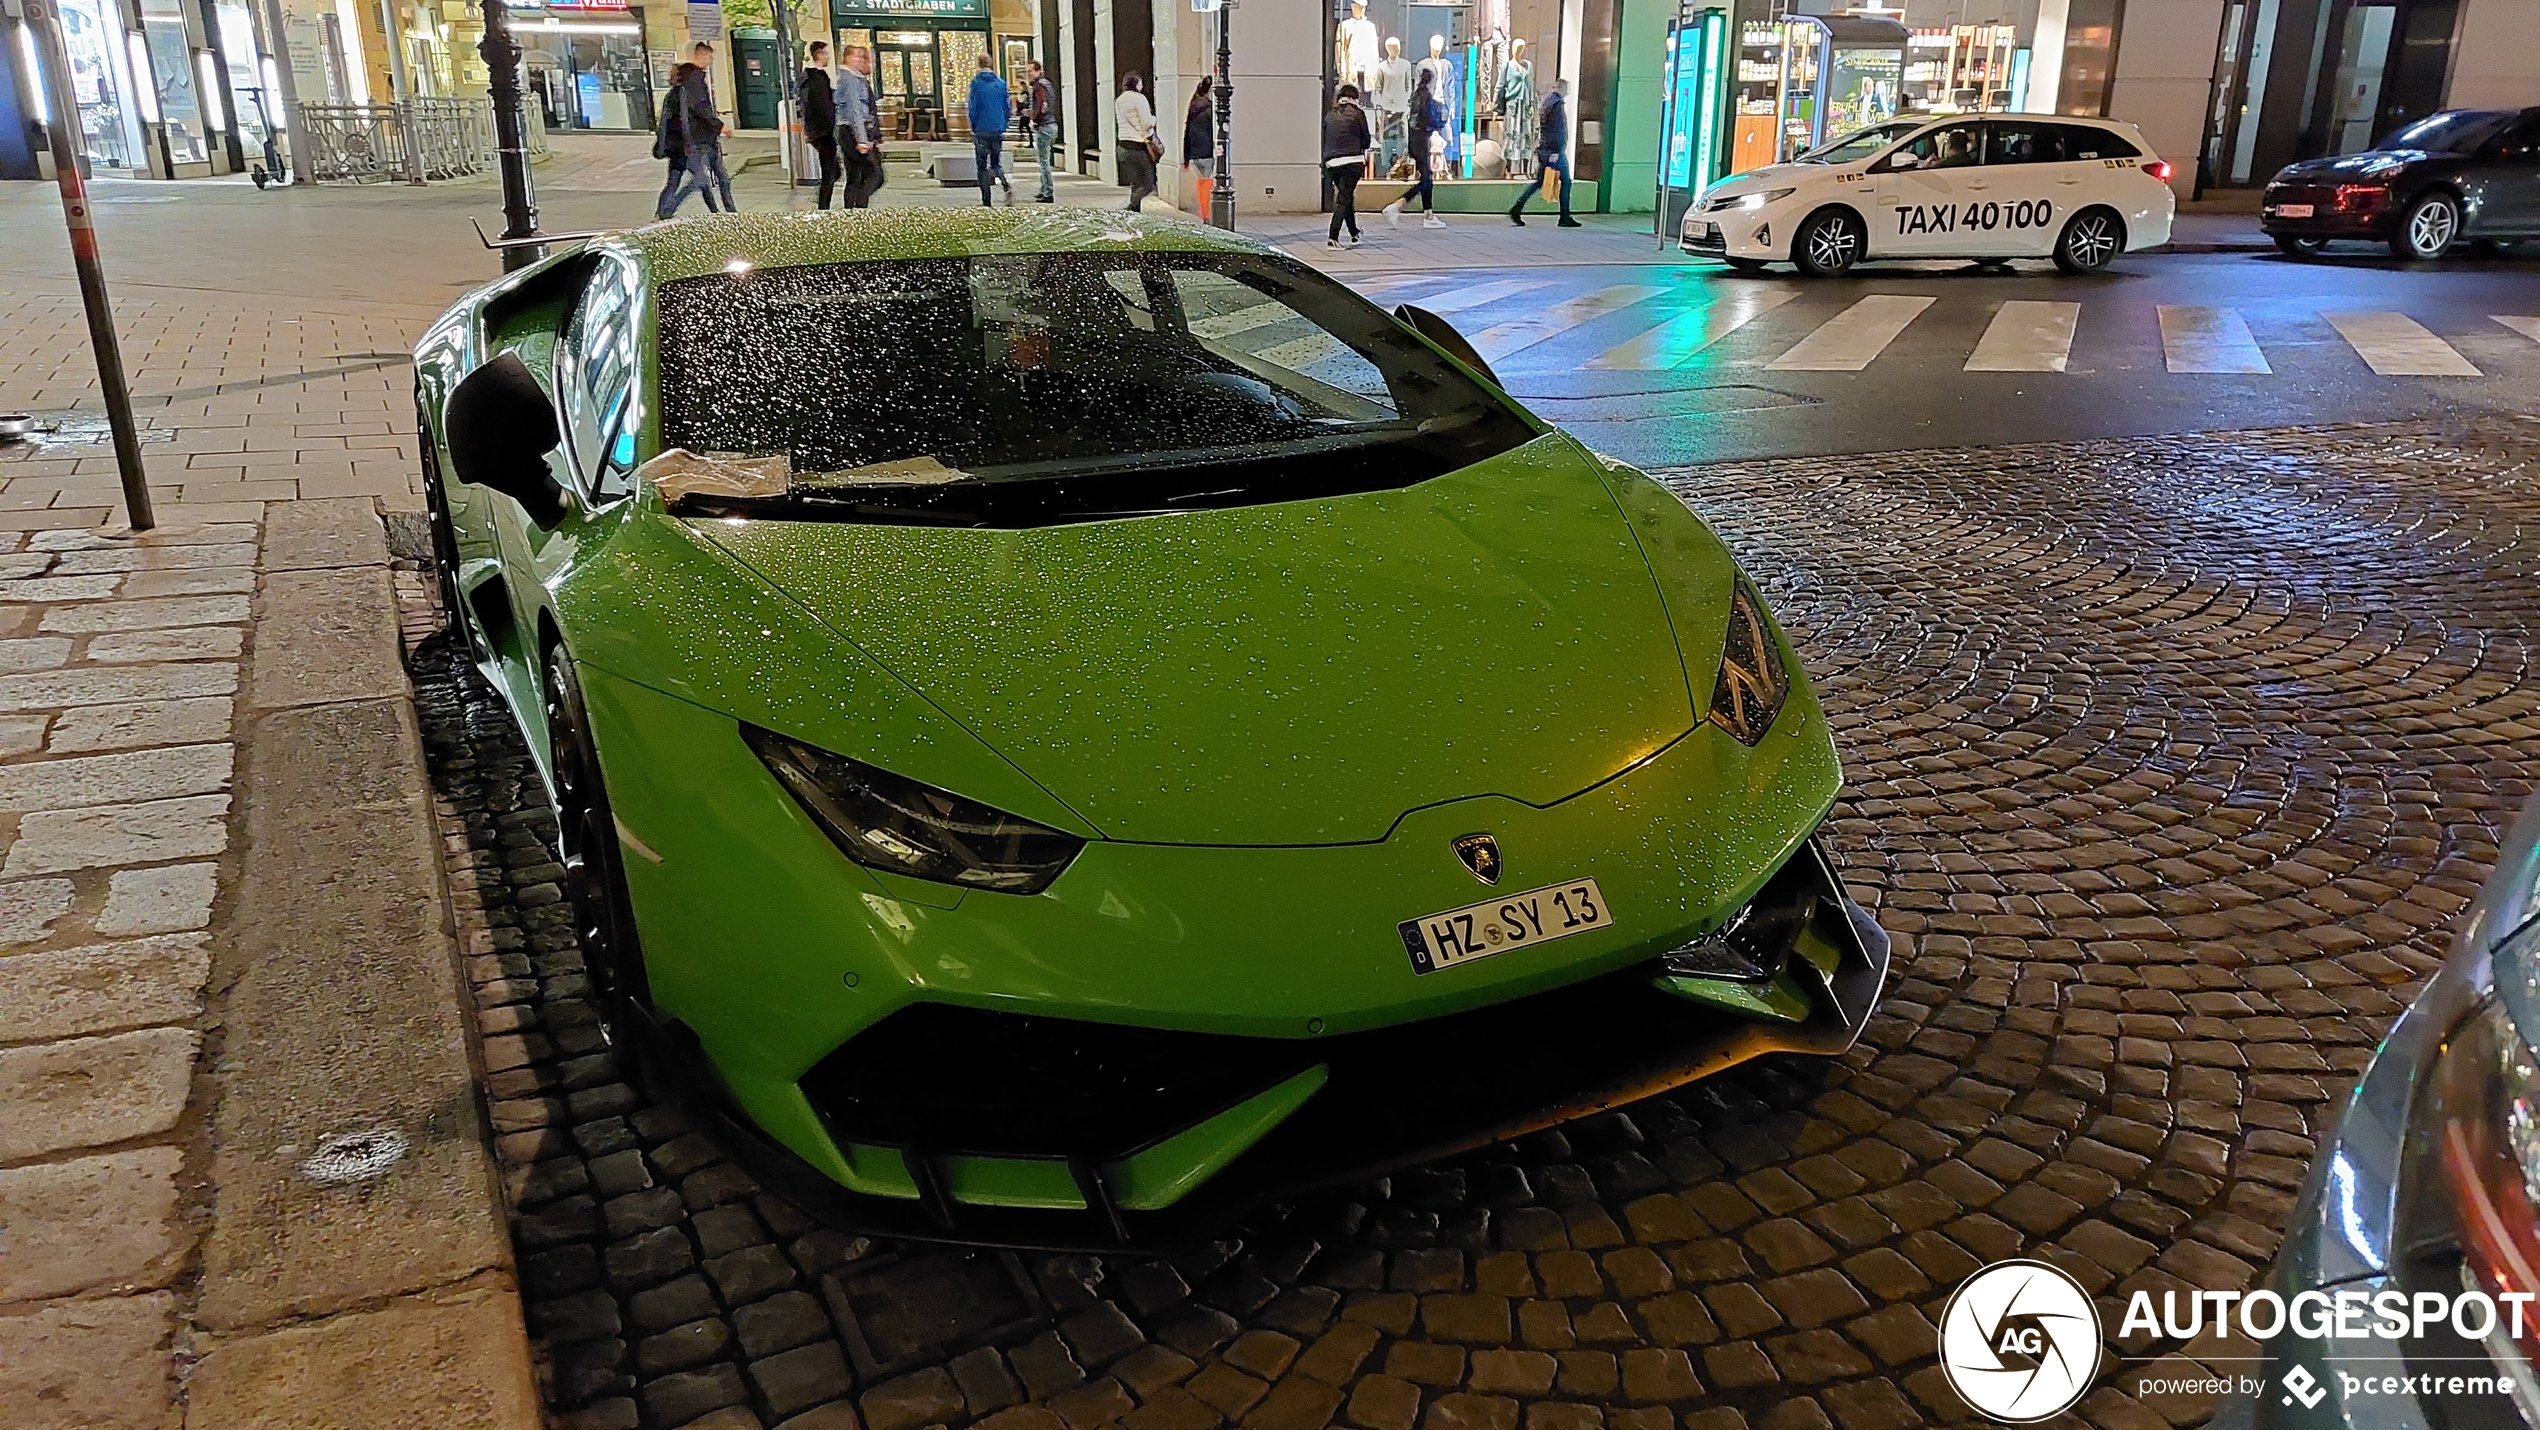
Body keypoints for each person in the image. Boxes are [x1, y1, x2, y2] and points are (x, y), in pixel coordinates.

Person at [653, 61, 722, 218]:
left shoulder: (672, 95)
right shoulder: (682, 94)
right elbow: (684, 122)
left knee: (675, 183)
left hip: (675, 146)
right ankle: (665, 212)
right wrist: (689, 143)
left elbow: (665, 123)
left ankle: (660, 214)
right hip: (685, 146)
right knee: (699, 179)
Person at [1508, 79, 1579, 227]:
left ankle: (1518, 206)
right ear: (1562, 89)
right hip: (1554, 151)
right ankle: (1564, 216)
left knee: (1540, 181)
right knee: (1566, 182)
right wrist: (1557, 150)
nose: (1568, 91)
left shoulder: (1548, 102)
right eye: (1567, 88)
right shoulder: (1557, 105)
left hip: (1546, 149)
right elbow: (1558, 130)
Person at [679, 42, 736, 213]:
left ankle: (728, 211)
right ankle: (667, 210)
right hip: (699, 136)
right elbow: (701, 107)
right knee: (701, 180)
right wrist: (720, 126)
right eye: (709, 57)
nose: (710, 61)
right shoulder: (693, 79)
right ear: (700, 55)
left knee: (720, 177)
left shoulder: (693, 78)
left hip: (706, 136)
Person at [1386, 68, 1445, 229]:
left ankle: (1428, 214)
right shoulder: (1426, 98)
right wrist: (1440, 122)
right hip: (1421, 141)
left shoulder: (1415, 97)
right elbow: (1429, 120)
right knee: (1426, 179)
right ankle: (1398, 205)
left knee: (1427, 178)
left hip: (1414, 140)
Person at [1322, 83, 1371, 248]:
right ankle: (1333, 236)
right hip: (1352, 161)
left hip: (1332, 163)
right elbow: (1366, 140)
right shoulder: (1358, 114)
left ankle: (1354, 232)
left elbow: (1326, 138)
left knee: (1345, 196)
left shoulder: (1330, 115)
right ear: (1355, 98)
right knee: (1344, 199)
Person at [836, 44, 883, 208]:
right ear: (847, 58)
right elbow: (855, 110)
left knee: (855, 175)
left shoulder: (851, 77)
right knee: (875, 174)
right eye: (857, 57)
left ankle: (852, 212)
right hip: (852, 130)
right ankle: (859, 208)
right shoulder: (851, 80)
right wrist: (862, 139)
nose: (861, 61)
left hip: (848, 130)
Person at [966, 52, 1013, 205]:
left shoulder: (976, 83)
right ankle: (1005, 184)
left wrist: (973, 125)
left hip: (981, 129)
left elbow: (973, 107)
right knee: (995, 163)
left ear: (978, 64)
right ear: (991, 64)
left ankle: (986, 200)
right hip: (997, 129)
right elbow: (1007, 107)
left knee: (981, 166)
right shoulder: (1000, 83)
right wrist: (1003, 124)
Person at [802, 41, 840, 210]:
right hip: (823, 131)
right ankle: (823, 206)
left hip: (819, 130)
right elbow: (823, 106)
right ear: (818, 54)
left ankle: (823, 203)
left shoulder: (813, 78)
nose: (828, 57)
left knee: (832, 171)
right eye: (825, 53)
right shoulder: (817, 79)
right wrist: (830, 127)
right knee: (830, 171)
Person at [1115, 72, 1158, 212]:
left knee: (1136, 183)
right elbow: (1147, 123)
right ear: (1137, 84)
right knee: (1148, 184)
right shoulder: (1139, 99)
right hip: (1137, 146)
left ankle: (1135, 213)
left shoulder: (1119, 100)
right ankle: (1131, 207)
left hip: (1122, 146)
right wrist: (1155, 118)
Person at [1024, 59, 1059, 202]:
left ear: (1038, 71)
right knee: (1043, 160)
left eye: (1030, 71)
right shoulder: (1048, 84)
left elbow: (1040, 104)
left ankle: (1048, 192)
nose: (1028, 74)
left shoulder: (1039, 86)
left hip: (1044, 126)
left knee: (1044, 162)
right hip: (1051, 124)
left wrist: (1033, 118)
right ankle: (1043, 188)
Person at [1183, 76, 1215, 218]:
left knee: (1202, 182)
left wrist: (1186, 158)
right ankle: (1206, 213)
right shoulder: (1209, 109)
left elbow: (1187, 133)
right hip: (1207, 151)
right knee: (1207, 182)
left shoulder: (1193, 106)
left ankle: (1203, 211)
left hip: (1194, 153)